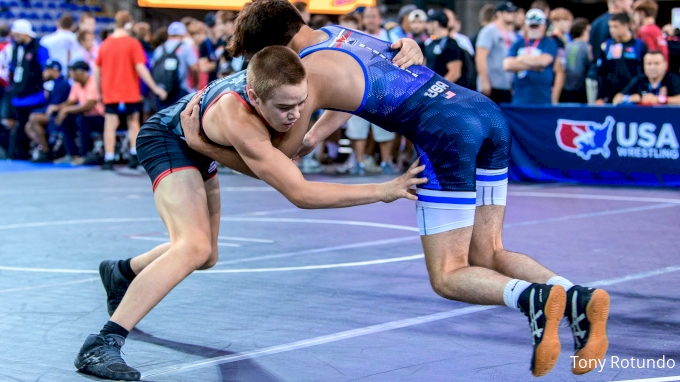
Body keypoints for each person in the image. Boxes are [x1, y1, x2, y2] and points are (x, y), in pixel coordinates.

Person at [198, 0, 609, 377]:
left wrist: (222, 140)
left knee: (448, 275)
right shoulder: (345, 34)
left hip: (445, 132)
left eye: (260, 58)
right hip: (482, 111)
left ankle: (531, 299)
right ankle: (576, 298)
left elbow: (281, 157)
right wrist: (318, 134)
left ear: (275, 48)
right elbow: (351, 91)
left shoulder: (308, 72)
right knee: (489, 251)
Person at [73, 34, 426, 381]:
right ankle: (103, 341)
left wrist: (405, 45)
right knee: (193, 247)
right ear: (255, 97)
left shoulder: (292, 77)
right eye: (285, 109)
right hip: (169, 138)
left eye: (302, 104)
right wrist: (384, 189)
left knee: (206, 255)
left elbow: (350, 92)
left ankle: (122, 272)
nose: (295, 115)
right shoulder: (238, 117)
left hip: (201, 143)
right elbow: (299, 193)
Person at [94, 10, 167, 170]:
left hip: (110, 91)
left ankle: (109, 157)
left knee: (110, 124)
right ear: (128, 24)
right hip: (129, 91)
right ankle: (134, 155)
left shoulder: (104, 44)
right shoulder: (133, 44)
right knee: (133, 122)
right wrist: (154, 88)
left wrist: (99, 91)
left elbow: (97, 71)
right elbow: (141, 68)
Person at [8, 19, 50, 160]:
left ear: (24, 33)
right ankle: (22, 153)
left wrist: (47, 88)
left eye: (17, 34)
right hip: (19, 94)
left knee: (32, 124)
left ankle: (41, 150)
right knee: (20, 126)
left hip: (34, 94)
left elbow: (46, 70)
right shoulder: (15, 48)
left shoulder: (38, 48)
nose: (14, 37)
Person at [503, 9, 559, 105]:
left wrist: (520, 59)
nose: (534, 29)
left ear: (544, 26)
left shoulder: (549, 43)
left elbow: (544, 61)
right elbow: (507, 64)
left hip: (542, 99)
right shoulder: (518, 43)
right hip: (520, 100)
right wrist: (535, 66)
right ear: (525, 26)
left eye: (537, 26)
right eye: (531, 26)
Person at [54, 60, 105, 165]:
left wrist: (66, 110)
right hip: (85, 116)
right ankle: (72, 154)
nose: (71, 75)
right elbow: (70, 102)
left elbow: (89, 106)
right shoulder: (76, 85)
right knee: (66, 119)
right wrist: (57, 108)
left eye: (74, 71)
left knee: (81, 120)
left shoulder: (93, 82)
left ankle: (85, 155)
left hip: (100, 117)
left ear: (82, 72)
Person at [24, 59, 71, 162]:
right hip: (50, 114)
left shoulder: (63, 84)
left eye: (46, 69)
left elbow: (55, 106)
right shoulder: (52, 84)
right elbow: (49, 105)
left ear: (54, 70)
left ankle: (46, 152)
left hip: (58, 116)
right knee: (28, 125)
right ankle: (44, 147)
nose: (44, 72)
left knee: (34, 118)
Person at [587, 0, 634, 104]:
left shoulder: (596, 22)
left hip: (596, 75)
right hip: (605, 81)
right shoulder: (613, 30)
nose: (631, 4)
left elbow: (590, 52)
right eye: (629, 1)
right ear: (619, 2)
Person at [596, 13, 647, 104]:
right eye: (610, 27)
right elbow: (601, 73)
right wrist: (599, 97)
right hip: (610, 98)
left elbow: (643, 73)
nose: (612, 30)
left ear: (626, 25)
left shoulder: (639, 46)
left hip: (632, 97)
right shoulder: (607, 46)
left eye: (616, 27)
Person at [475, 1, 517, 104]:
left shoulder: (512, 34)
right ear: (499, 14)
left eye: (513, 12)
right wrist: (484, 81)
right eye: (508, 12)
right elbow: (480, 56)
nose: (512, 15)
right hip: (491, 84)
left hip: (506, 85)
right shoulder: (489, 31)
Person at [424, 9, 474, 90]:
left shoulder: (451, 44)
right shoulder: (430, 44)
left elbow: (455, 73)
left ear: (435, 23)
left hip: (445, 93)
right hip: (431, 90)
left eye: (428, 23)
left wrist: (437, 89)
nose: (426, 26)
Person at [152, 22, 198, 109]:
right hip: (181, 90)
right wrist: (196, 84)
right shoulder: (186, 47)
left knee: (163, 120)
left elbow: (153, 68)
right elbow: (195, 68)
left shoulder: (159, 49)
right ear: (183, 34)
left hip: (162, 91)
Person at [613, 50, 680, 105]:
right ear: (644, 65)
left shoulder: (673, 78)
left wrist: (659, 99)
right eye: (649, 64)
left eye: (657, 63)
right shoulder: (639, 79)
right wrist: (629, 98)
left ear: (665, 64)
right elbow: (616, 99)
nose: (652, 67)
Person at [562, 18, 592, 103]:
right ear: (584, 31)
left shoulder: (566, 46)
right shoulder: (587, 47)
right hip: (581, 89)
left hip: (566, 88)